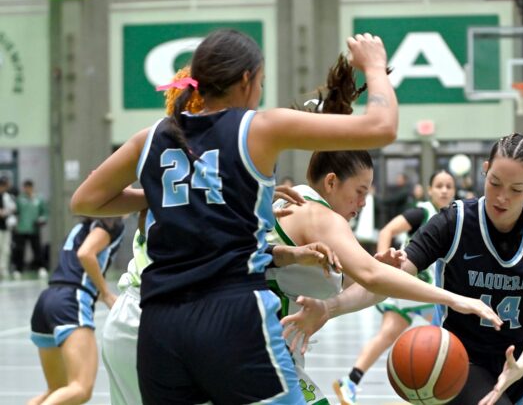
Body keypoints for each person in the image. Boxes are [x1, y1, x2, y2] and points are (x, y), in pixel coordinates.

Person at [70, 28, 404, 404]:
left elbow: (85, 201)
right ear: (246, 80)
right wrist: (375, 66)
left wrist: (166, 194)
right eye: (260, 83)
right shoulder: (254, 130)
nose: (260, 93)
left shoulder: (153, 137)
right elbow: (382, 126)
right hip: (226, 317)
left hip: (157, 322)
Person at [100, 67, 342, 405]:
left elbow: (88, 199)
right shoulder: (217, 168)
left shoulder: (169, 167)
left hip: (136, 318)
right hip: (173, 318)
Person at [286, 133, 523, 405]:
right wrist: (330, 307)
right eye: (494, 183)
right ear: (485, 170)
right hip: (464, 361)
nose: (502, 197)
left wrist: (520, 367)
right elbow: (383, 282)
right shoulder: (453, 221)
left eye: (516, 189)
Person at [333, 170, 456, 401]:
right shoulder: (422, 212)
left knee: (443, 340)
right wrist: (380, 263)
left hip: (431, 292)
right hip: (408, 288)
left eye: (449, 186)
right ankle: (350, 382)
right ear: (429, 190)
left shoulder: (456, 218)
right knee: (390, 335)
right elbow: (389, 229)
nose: (444, 190)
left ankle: (452, 386)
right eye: (439, 185)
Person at [28, 217, 125, 405]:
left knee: (57, 390)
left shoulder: (81, 226)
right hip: (70, 302)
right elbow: (86, 254)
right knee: (81, 388)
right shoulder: (108, 225)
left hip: (47, 299)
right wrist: (105, 293)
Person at [13, 180, 48, 279]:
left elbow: (44, 213)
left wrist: (42, 219)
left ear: (32, 187)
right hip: (22, 228)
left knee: (37, 249)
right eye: (25, 187)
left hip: (34, 229)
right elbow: (16, 212)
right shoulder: (20, 199)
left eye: (29, 187)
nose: (27, 189)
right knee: (20, 250)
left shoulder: (39, 199)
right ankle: (18, 269)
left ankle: (40, 268)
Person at [0, 176, 16, 280]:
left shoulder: (7, 196)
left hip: (5, 226)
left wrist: (6, 212)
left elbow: (13, 208)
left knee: (6, 249)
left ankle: (3, 268)